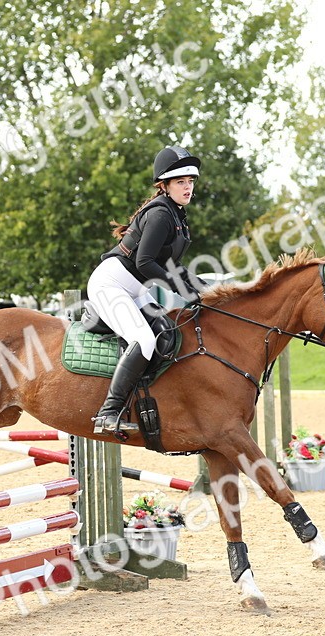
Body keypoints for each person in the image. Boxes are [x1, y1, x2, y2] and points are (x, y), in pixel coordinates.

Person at [88, 145, 204, 434]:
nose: (188, 187)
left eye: (190, 181)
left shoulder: (177, 217)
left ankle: (146, 398)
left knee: (166, 333)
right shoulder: (161, 215)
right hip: (111, 284)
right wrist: (181, 291)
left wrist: (205, 292)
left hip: (135, 289)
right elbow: (145, 261)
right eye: (180, 182)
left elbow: (175, 267)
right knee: (145, 339)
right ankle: (108, 412)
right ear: (164, 185)